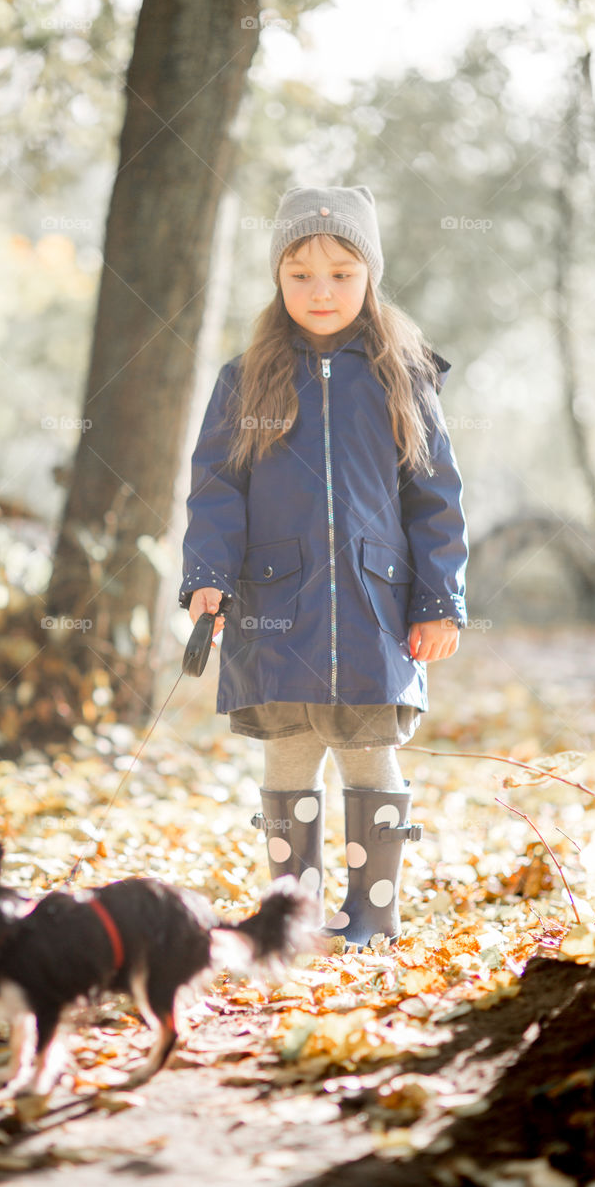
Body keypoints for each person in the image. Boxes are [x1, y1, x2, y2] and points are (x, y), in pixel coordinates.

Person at [178, 184, 468, 948]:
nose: (320, 289)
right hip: (276, 604)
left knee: (369, 751)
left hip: (376, 607)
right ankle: (292, 918)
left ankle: (370, 914)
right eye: (300, 272)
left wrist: (439, 600)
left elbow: (434, 498)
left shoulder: (401, 374)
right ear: (277, 277)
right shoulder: (245, 379)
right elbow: (215, 489)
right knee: (289, 753)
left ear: (369, 274)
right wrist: (205, 571)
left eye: (341, 271)